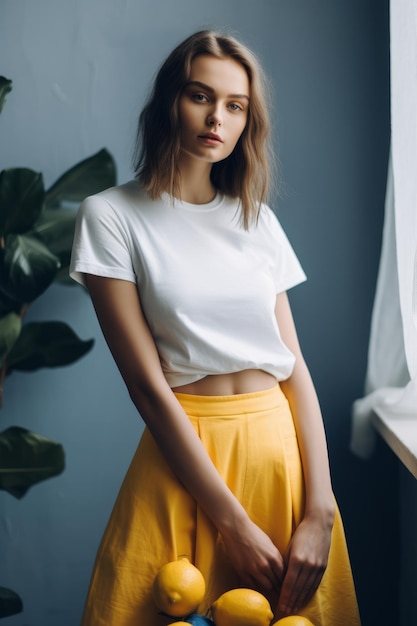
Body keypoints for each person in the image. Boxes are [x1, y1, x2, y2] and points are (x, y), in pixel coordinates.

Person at [70, 29, 361, 626]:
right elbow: (148, 389)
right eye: (201, 96)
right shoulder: (110, 216)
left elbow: (293, 365)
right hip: (187, 464)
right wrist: (230, 523)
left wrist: (320, 509)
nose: (217, 118)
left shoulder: (258, 219)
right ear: (169, 102)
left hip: (282, 460)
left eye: (236, 106)